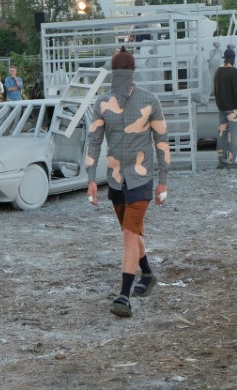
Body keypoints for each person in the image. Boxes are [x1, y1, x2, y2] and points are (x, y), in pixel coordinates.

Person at [86, 47, 170, 318]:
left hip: (141, 179)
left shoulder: (150, 100)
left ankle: (123, 294)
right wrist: (90, 180)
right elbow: (94, 141)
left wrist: (162, 182)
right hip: (115, 180)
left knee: (129, 234)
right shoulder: (101, 103)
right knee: (130, 232)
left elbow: (162, 142)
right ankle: (147, 272)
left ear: (131, 74)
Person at [213, 44, 237, 170]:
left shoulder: (218, 71)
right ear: (233, 58)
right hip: (232, 109)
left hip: (221, 108)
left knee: (221, 134)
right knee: (232, 135)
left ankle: (221, 161)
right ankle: (232, 161)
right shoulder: (234, 71)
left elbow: (215, 90)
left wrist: (220, 105)